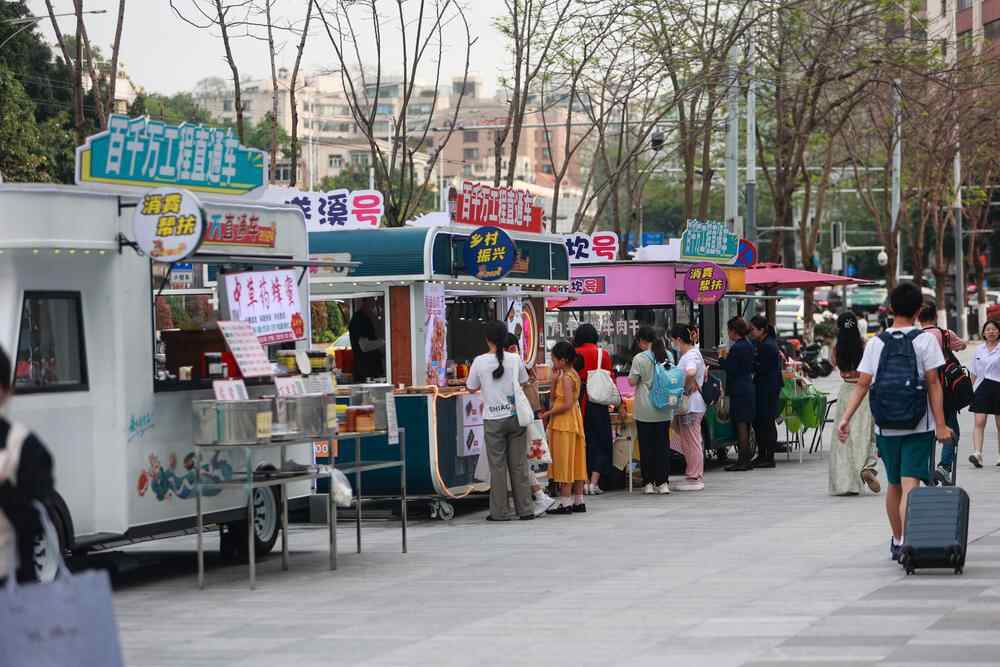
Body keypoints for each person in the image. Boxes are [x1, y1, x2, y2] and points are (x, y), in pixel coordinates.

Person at [837, 282, 952, 562]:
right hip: (919, 425)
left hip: (886, 426)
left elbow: (862, 384)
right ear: (918, 309)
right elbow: (934, 383)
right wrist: (940, 424)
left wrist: (845, 418)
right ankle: (910, 544)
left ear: (890, 308)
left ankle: (898, 540)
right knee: (910, 483)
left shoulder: (876, 343)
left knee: (894, 485)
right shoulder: (925, 341)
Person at [466, 321, 537, 521]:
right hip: (515, 417)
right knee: (519, 464)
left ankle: (500, 512)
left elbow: (471, 386)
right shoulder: (515, 359)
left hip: (493, 420)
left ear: (487, 339)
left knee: (497, 467)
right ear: (505, 337)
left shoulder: (479, 361)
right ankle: (525, 509)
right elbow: (524, 382)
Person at [0, 345, 55, 583]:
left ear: (5, 392)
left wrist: (7, 493)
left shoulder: (24, 446)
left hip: (12, 585)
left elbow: (37, 516)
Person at [828, 311, 880, 496]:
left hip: (846, 392)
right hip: (863, 392)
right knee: (865, 434)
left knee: (844, 438)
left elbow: (833, 364)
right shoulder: (864, 345)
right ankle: (867, 467)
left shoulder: (836, 348)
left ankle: (845, 482)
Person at [504, 333, 557, 514]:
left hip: (519, 419)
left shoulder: (515, 364)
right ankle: (524, 499)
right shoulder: (521, 365)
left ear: (511, 349)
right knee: (518, 461)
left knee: (518, 461)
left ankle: (538, 496)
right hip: (524, 417)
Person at [917, 300, 967, 483]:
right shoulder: (945, 334)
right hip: (945, 390)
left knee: (925, 431)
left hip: (921, 391)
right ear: (936, 317)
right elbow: (962, 346)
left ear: (918, 318)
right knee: (951, 427)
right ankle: (944, 467)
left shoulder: (915, 337)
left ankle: (925, 470)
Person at [540, 342, 588, 514]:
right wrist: (554, 381)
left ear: (563, 360)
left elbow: (564, 403)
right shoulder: (573, 374)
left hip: (563, 422)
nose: (552, 363)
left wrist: (548, 413)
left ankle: (566, 502)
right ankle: (579, 500)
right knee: (576, 460)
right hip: (574, 420)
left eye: (554, 359)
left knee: (564, 461)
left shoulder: (566, 378)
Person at [629, 326, 672, 494]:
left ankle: (648, 483)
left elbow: (632, 381)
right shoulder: (667, 355)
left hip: (645, 409)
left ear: (642, 341)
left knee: (646, 447)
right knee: (662, 446)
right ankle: (663, 483)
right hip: (664, 408)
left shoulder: (639, 358)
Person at [573, 323, 614, 495]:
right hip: (599, 402)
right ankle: (595, 483)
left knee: (582, 442)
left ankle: (584, 481)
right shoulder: (603, 354)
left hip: (579, 401)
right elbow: (611, 378)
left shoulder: (574, 353)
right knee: (601, 441)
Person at [670, 324, 706, 491]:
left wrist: (685, 388)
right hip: (693, 405)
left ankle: (694, 477)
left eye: (672, 340)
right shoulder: (694, 353)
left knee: (691, 442)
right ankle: (694, 474)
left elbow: (691, 372)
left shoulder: (689, 356)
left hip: (691, 405)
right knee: (690, 441)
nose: (673, 344)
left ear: (678, 339)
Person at [719, 317, 757, 471]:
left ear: (734, 331)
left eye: (729, 330)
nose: (728, 333)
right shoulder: (748, 344)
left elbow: (731, 368)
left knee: (741, 424)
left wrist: (721, 359)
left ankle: (743, 461)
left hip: (739, 389)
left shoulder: (737, 347)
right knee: (746, 424)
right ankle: (745, 459)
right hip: (747, 387)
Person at [748, 315, 782, 469]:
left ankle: (768, 456)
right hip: (766, 386)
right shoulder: (764, 343)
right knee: (761, 422)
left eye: (753, 329)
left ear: (762, 330)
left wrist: (750, 364)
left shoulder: (767, 345)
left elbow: (762, 367)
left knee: (766, 422)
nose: (751, 332)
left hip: (767, 388)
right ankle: (763, 455)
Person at [969, 319, 1000, 468]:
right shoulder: (979, 349)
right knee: (979, 421)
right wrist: (968, 391)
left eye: (994, 329)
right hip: (982, 388)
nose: (991, 332)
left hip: (999, 387)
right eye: (988, 329)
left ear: (999, 331)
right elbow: (974, 372)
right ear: (983, 333)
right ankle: (977, 454)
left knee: (999, 424)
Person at [348, 298, 385, 382]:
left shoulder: (365, 318)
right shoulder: (360, 319)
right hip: (365, 371)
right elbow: (364, 346)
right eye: (372, 303)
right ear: (365, 303)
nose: (375, 307)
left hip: (369, 369)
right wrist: (384, 342)